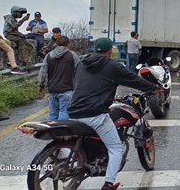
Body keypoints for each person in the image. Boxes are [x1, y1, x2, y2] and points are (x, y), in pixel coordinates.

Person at [68, 37, 159, 190]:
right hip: (95, 114)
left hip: (74, 112)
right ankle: (109, 183)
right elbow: (133, 80)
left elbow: (80, 84)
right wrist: (152, 88)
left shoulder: (81, 63)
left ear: (94, 49)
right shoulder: (112, 65)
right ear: (110, 51)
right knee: (116, 147)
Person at [37, 36, 80, 120]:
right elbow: (79, 70)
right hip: (67, 88)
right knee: (65, 111)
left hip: (52, 89)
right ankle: (61, 130)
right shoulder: (72, 55)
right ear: (68, 44)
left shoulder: (48, 56)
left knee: (53, 112)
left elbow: (43, 71)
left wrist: (40, 85)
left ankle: (53, 130)